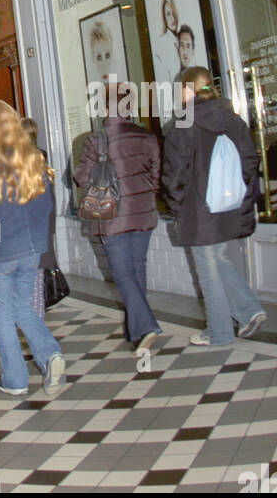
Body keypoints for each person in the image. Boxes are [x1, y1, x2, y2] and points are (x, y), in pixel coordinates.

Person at [0, 100, 65, 398]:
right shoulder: (34, 159)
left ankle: (15, 380)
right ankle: (50, 355)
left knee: (2, 315)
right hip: (31, 249)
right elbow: (44, 207)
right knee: (22, 306)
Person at [163, 67, 265, 348]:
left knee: (208, 270)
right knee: (218, 260)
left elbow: (173, 175)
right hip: (229, 207)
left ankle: (219, 332)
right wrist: (236, 194)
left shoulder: (184, 123)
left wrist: (178, 207)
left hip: (199, 211)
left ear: (187, 90)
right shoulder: (233, 118)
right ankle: (249, 310)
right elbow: (250, 161)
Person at [74, 83, 162, 351]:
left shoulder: (97, 140)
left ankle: (146, 326)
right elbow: (156, 178)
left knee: (123, 273)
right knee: (137, 268)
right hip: (144, 214)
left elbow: (80, 178)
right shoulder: (147, 137)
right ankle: (135, 331)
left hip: (112, 217)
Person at [20, 117, 57, 319]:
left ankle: (38, 342)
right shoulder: (42, 160)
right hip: (39, 235)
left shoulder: (19, 162)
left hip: (25, 239)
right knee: (33, 291)